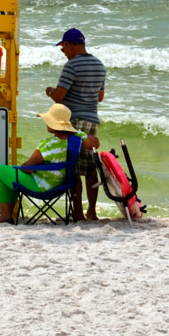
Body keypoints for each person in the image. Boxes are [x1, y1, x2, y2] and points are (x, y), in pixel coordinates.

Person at [45, 28, 107, 219]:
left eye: (63, 47)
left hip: (73, 121)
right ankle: (92, 212)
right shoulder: (99, 65)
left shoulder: (71, 66)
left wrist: (50, 91)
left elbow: (59, 96)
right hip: (92, 120)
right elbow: (100, 97)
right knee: (89, 168)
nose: (63, 52)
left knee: (73, 167)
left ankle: (78, 213)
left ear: (69, 45)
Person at [0, 104, 80, 223]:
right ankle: (8, 214)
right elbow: (94, 142)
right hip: (60, 186)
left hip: (40, 187)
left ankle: (6, 215)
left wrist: (20, 167)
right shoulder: (76, 140)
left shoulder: (48, 145)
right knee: (13, 172)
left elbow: (28, 168)